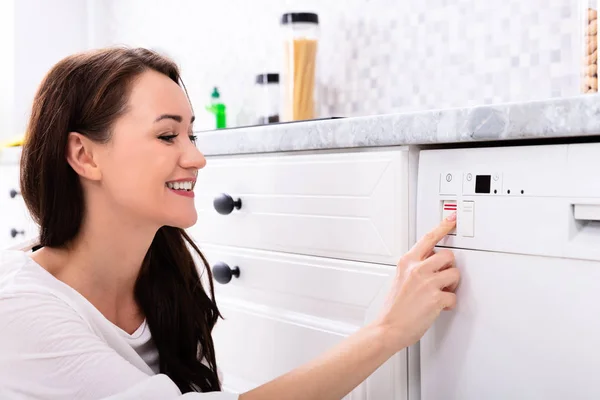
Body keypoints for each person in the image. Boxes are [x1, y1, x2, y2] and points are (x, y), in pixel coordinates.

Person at [0, 47, 460, 400]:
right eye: (166, 136)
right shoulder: (19, 310)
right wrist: (386, 332)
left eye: (191, 133)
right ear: (84, 154)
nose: (196, 157)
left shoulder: (170, 274)